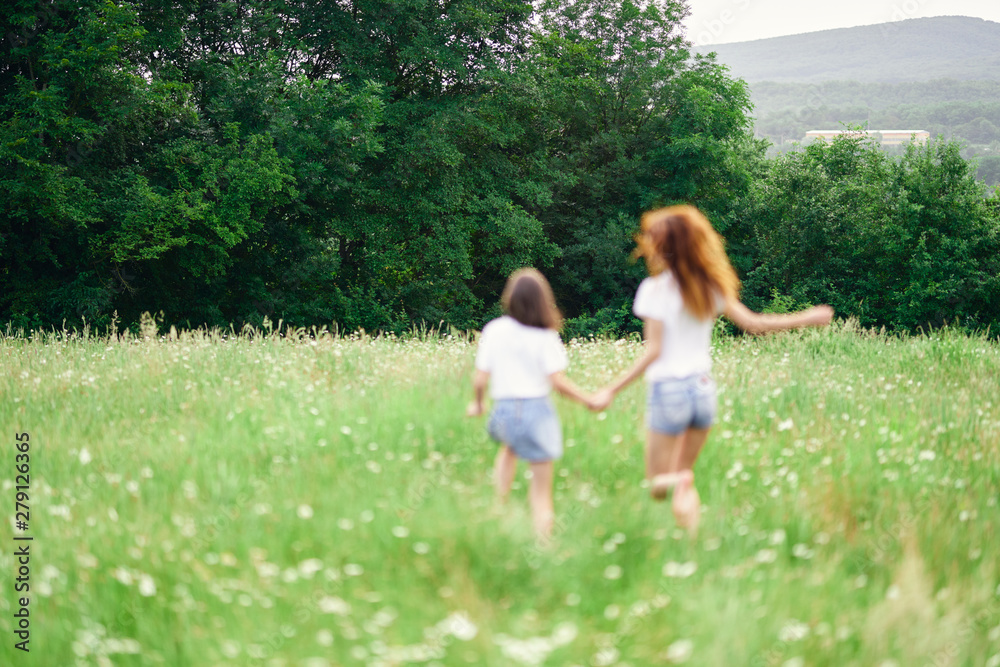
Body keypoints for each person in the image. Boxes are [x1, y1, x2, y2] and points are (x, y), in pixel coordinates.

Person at [590, 205, 833, 533]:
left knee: (659, 483)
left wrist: (611, 389)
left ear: (664, 247)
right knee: (682, 477)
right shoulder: (711, 287)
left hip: (670, 391)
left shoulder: (655, 290)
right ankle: (690, 543)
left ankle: (681, 484)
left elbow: (655, 351)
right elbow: (755, 324)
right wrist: (807, 317)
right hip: (703, 391)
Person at [467, 268, 595, 540]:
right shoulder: (545, 336)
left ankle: (497, 508)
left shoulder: (495, 330)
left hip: (503, 410)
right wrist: (588, 400)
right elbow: (558, 383)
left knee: (509, 448)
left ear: (509, 298)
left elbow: (479, 379)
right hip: (536, 411)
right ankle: (543, 539)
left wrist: (478, 405)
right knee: (540, 488)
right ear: (542, 300)